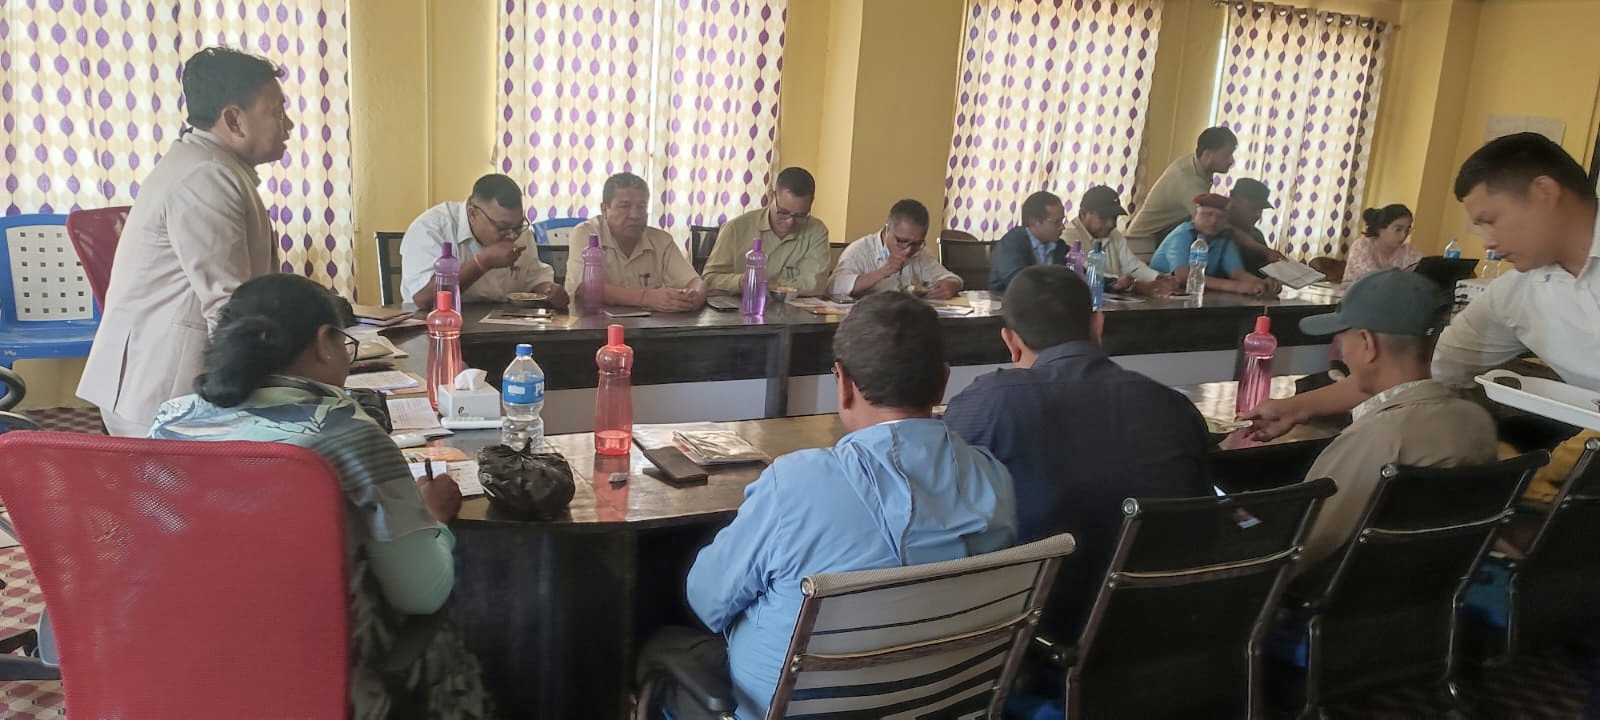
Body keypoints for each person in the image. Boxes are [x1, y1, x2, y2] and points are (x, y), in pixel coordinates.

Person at [650, 293, 1017, 719]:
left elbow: (706, 600)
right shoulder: (995, 481)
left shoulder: (795, 485)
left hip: (780, 709)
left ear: (842, 383)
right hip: (940, 704)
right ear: (943, 383)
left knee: (660, 644)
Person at [148, 274, 491, 719]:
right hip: (311, 680)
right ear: (325, 342)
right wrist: (433, 518)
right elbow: (422, 593)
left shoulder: (171, 421)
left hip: (181, 667)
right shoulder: (347, 432)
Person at [1245, 132, 1600, 444]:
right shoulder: (1514, 294)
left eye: (1490, 220)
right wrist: (1296, 407)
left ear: (1544, 192)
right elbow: (1416, 371)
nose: (1489, 243)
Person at [944, 264, 1210, 641]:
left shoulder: (990, 404)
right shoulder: (1173, 405)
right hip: (1168, 630)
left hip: (1037, 635)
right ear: (1098, 325)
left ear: (1011, 341)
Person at [79, 47, 291, 437]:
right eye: (277, 112)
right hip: (161, 401)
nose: (288, 124)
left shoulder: (210, 165)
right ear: (234, 119)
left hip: (166, 386)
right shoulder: (206, 177)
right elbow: (230, 307)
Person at [1289, 269, 1498, 571]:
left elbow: (1299, 548)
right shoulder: (1478, 422)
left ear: (1367, 343)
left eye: (1341, 341)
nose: (1342, 354)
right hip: (1433, 588)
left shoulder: (1377, 439)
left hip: (1338, 593)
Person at [399, 173, 567, 310]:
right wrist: (482, 263)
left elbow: (533, 277)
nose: (512, 235)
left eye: (518, 226)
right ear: (473, 214)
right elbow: (423, 299)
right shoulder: (432, 229)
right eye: (502, 227)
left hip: (504, 326)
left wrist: (548, 290)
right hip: (439, 327)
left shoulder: (519, 232)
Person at [565, 172, 706, 312]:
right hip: (593, 322)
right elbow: (585, 288)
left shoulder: (661, 240)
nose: (635, 215)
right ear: (604, 209)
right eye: (625, 206)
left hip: (648, 324)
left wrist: (693, 298)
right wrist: (646, 298)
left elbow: (695, 281)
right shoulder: (586, 234)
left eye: (641, 206)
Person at [702, 167, 830, 296]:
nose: (790, 222)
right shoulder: (735, 229)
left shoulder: (817, 232)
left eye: (800, 215)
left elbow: (815, 285)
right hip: (739, 305)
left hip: (792, 308)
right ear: (771, 197)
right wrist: (739, 282)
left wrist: (766, 286)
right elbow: (709, 279)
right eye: (783, 212)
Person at [1124, 126, 1238, 257]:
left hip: (1159, 241)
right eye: (1228, 154)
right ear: (1207, 155)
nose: (1231, 161)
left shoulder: (1193, 165)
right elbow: (1211, 223)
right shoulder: (1188, 179)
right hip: (1143, 248)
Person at [1150, 193, 1280, 297]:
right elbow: (1184, 276)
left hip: (1193, 294)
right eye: (1207, 215)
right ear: (1195, 216)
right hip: (1159, 294)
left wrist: (1261, 284)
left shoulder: (1223, 238)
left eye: (1220, 217)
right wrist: (1237, 286)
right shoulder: (1182, 235)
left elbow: (1237, 273)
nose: (1213, 221)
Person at [829, 199, 962, 299]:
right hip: (870, 321)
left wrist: (950, 286)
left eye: (916, 243)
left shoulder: (921, 253)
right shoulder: (860, 251)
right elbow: (834, 287)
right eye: (901, 241)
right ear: (886, 231)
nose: (908, 250)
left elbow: (951, 278)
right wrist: (884, 271)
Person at [1059, 185, 1177, 297]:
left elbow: (1133, 266)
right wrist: (1129, 285)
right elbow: (1087, 272)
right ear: (1083, 214)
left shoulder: (1114, 234)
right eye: (1104, 218)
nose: (1111, 224)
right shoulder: (1068, 236)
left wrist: (1157, 277)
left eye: (1114, 217)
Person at [990, 191, 1066, 292]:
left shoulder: (1060, 246)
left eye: (1062, 221)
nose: (1062, 227)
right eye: (1057, 222)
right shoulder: (1011, 244)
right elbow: (1018, 283)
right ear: (1034, 222)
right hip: (1008, 300)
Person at [1343, 204, 1423, 284]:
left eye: (1407, 230)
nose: (1403, 235)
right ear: (1380, 228)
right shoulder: (1362, 246)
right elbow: (1372, 279)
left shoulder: (1409, 251)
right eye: (1398, 229)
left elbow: (1422, 275)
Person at [1224, 178, 1288, 272]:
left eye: (1261, 210)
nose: (1258, 215)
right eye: (1253, 208)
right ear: (1234, 201)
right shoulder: (1214, 230)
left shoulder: (1257, 235)